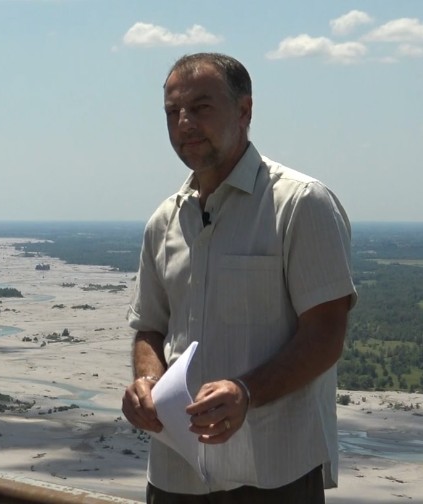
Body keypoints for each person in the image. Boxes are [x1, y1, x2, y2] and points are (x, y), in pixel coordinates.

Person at [120, 52, 357, 503]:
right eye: (173, 111)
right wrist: (147, 383)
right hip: (177, 475)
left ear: (245, 110)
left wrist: (246, 392)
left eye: (201, 107)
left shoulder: (301, 204)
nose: (185, 122)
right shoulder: (163, 221)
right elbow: (149, 326)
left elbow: (326, 335)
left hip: (274, 472)